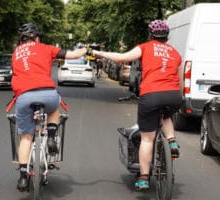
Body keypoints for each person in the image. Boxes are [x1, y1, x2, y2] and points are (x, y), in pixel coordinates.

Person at [91, 19, 183, 191]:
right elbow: (180, 79)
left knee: (147, 139)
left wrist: (100, 53)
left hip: (151, 95)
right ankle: (172, 142)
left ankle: (143, 178)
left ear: (150, 35)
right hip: (173, 96)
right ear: (167, 37)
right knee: (166, 115)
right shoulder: (176, 54)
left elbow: (122, 58)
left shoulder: (145, 47)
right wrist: (180, 98)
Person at [11, 23, 88, 192]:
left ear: (21, 39)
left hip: (24, 96)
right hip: (47, 93)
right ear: (37, 37)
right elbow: (73, 54)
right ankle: (52, 135)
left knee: (26, 138)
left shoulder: (16, 52)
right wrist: (85, 50)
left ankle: (23, 177)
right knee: (54, 109)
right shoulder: (46, 48)